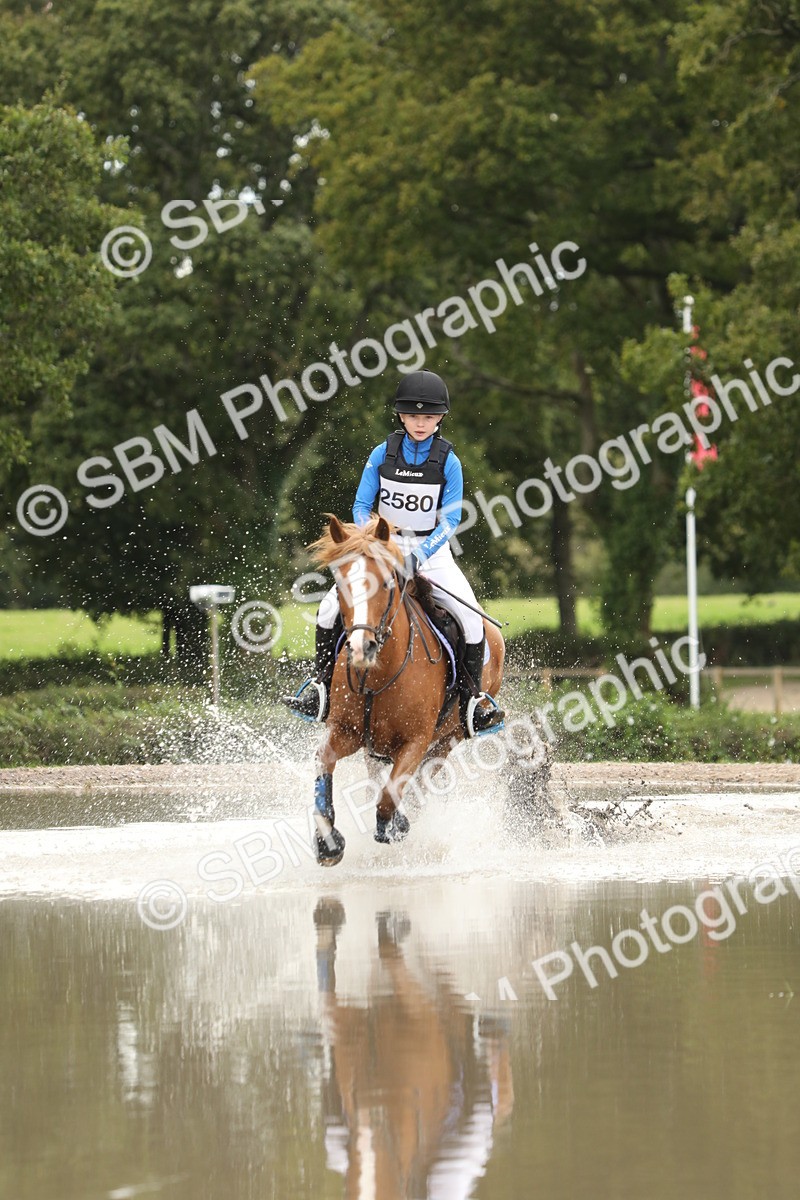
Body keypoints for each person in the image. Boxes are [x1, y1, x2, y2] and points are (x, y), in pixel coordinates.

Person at [282, 369, 505, 735]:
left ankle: (472, 703)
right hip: (381, 548)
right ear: (401, 416)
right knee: (327, 609)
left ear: (440, 419)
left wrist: (417, 557)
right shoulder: (381, 454)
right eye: (414, 416)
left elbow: (449, 522)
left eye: (429, 417)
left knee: (472, 620)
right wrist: (371, 542)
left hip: (432, 553)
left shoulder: (449, 461)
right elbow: (360, 506)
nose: (421, 423)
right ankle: (319, 688)